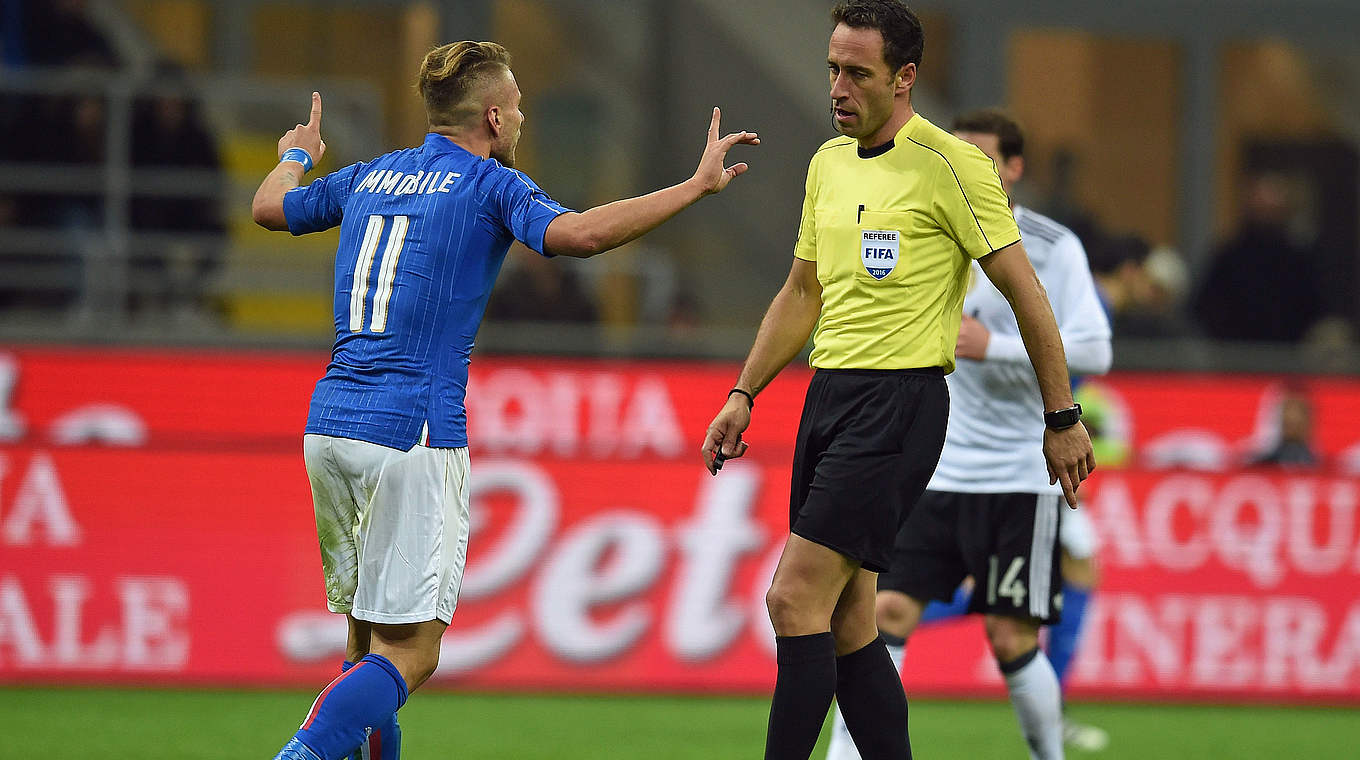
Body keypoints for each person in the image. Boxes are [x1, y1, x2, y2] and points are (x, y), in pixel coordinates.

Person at [251, 40, 757, 760]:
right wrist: (695, 186)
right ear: (493, 115)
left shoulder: (370, 175)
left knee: (366, 643)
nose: (520, 118)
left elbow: (269, 207)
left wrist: (298, 154)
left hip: (329, 426)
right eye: (516, 106)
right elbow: (578, 236)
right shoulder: (489, 185)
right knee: (413, 654)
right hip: (412, 432)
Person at [699, 5, 1095, 759]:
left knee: (793, 598)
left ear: (905, 77)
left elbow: (1025, 293)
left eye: (858, 73)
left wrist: (1061, 413)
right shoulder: (829, 162)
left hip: (900, 403)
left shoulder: (951, 164)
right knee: (851, 622)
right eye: (831, 70)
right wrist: (744, 393)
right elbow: (801, 295)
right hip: (830, 400)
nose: (838, 88)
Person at [820, 108, 1112, 760]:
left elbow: (1095, 350)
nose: (964, 171)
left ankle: (1048, 754)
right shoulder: (923, 228)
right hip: (933, 468)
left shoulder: (1051, 246)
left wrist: (993, 348)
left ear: (1013, 168)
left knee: (1011, 639)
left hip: (1016, 474)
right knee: (877, 618)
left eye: (981, 159)